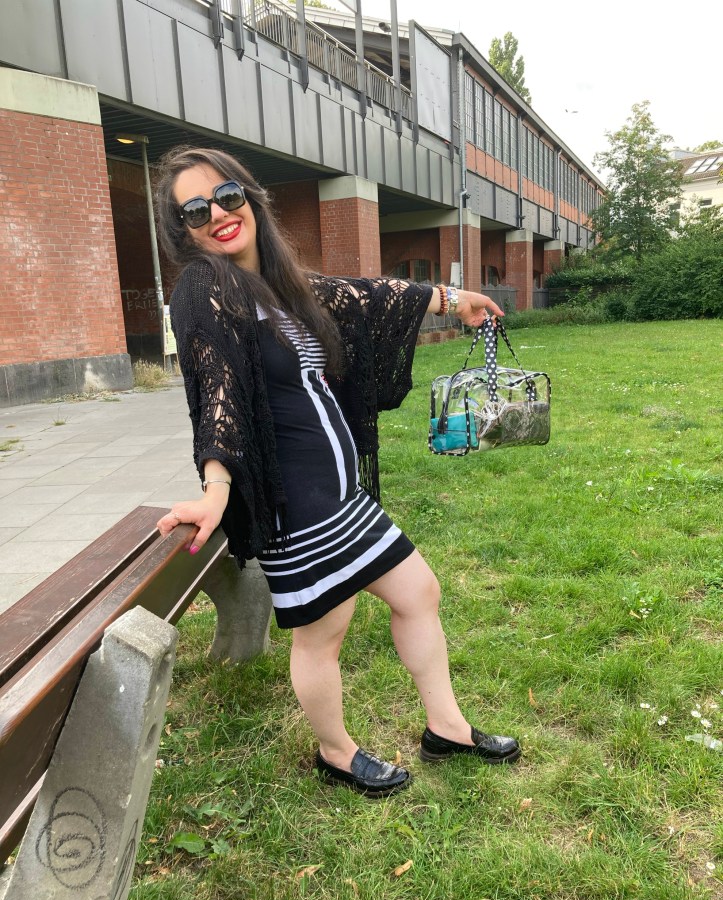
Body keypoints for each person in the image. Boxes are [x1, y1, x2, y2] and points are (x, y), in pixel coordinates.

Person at [154, 146, 520, 798]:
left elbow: (362, 294)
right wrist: (215, 490)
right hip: (298, 511)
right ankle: (336, 751)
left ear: (251, 199)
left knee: (418, 594)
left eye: (228, 194)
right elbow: (217, 389)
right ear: (183, 230)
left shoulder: (278, 285)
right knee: (324, 636)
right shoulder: (204, 289)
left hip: (344, 501)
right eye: (195, 209)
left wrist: (448, 298)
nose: (218, 213)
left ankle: (447, 727)